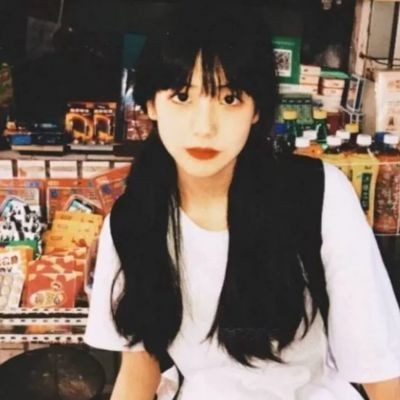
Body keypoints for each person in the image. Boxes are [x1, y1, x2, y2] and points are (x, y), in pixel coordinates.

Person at [84, 4, 400, 400]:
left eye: (230, 98)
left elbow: (380, 369)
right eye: (182, 96)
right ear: (150, 105)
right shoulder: (133, 222)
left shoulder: (317, 197)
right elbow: (138, 370)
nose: (204, 127)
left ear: (256, 111)